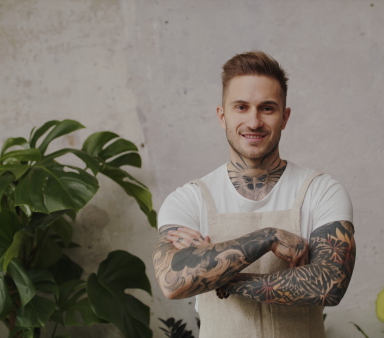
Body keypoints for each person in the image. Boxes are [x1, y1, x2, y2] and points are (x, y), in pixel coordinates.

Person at [152, 51, 356, 338]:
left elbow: (329, 283)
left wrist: (222, 279)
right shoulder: (190, 199)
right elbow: (173, 281)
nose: (254, 121)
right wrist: (268, 236)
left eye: (267, 108)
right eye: (241, 107)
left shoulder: (321, 191)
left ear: (284, 118)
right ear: (222, 116)